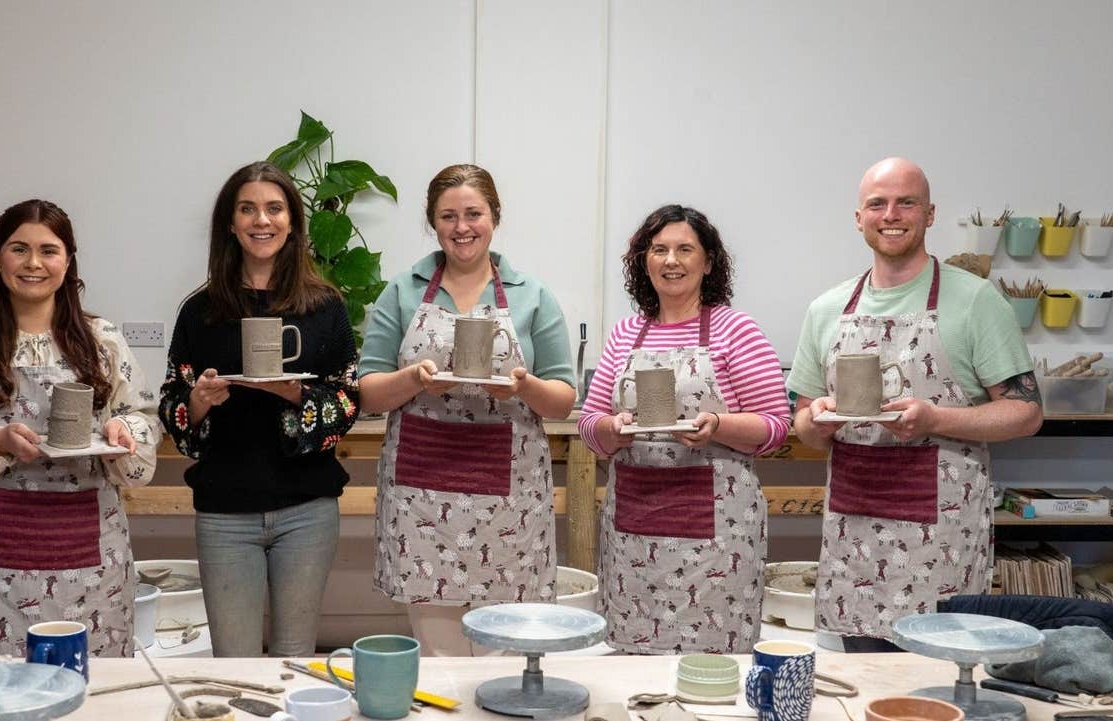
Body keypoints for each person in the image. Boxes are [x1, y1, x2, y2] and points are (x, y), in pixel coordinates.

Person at [787, 157, 1042, 651]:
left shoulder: (975, 301)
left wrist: (935, 418)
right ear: (858, 217)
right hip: (854, 536)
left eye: (907, 202)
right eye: (877, 204)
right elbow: (804, 424)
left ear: (930, 214)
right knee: (865, 684)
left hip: (941, 539)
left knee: (942, 679)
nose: (892, 214)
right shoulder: (826, 310)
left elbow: (1026, 412)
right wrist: (817, 422)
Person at [0, 199, 159, 657]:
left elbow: (143, 419)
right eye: (19, 249)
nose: (34, 263)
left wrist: (123, 430)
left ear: (69, 261)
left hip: (89, 560)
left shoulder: (103, 342)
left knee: (90, 687)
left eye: (49, 250)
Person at [359, 163, 575, 655]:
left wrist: (520, 387)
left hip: (508, 500)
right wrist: (414, 379)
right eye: (448, 215)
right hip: (423, 491)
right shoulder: (404, 289)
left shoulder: (531, 295)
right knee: (439, 655)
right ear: (433, 223)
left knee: (507, 647)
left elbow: (563, 395)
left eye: (473, 213)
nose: (462, 227)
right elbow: (368, 390)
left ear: (494, 217)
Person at [158, 161, 359, 657]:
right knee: (235, 661)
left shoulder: (324, 307)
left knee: (294, 659)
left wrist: (296, 396)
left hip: (307, 510)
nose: (261, 220)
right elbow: (172, 405)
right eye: (247, 209)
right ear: (230, 223)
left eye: (274, 208)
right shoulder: (201, 312)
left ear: (292, 222)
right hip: (225, 511)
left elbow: (348, 400)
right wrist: (198, 404)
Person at [579, 204, 790, 654]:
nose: (670, 261)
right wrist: (612, 432)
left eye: (684, 249)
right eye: (658, 250)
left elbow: (775, 426)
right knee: (635, 665)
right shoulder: (624, 335)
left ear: (708, 261)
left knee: (714, 665)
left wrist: (717, 426)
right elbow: (589, 423)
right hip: (634, 532)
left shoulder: (737, 330)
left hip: (718, 536)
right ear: (644, 261)